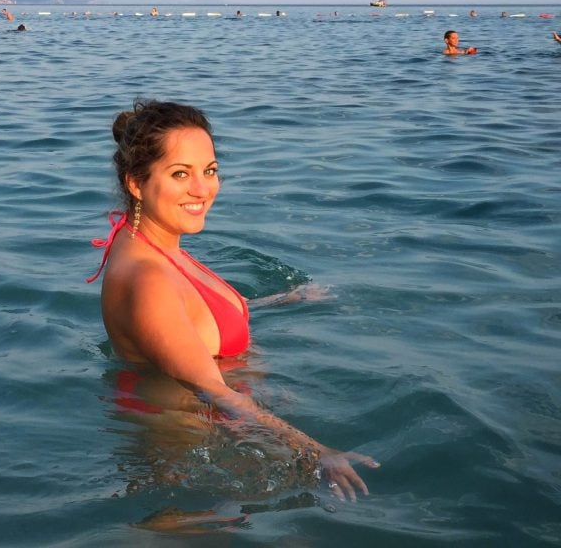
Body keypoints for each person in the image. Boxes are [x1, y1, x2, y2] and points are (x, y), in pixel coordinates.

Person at [87, 100, 379, 501]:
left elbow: (186, 322)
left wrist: (282, 300)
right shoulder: (148, 278)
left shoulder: (151, 243)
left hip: (220, 437)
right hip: (192, 459)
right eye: (180, 174)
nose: (202, 189)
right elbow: (215, 391)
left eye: (210, 171)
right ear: (135, 183)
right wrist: (317, 453)